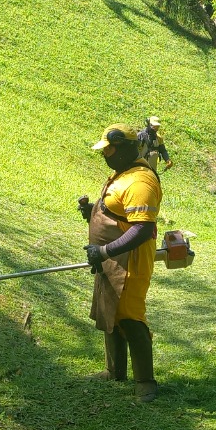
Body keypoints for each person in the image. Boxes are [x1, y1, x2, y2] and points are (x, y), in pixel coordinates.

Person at [78, 124, 163, 402]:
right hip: (110, 256)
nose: (106, 155)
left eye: (110, 149)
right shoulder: (123, 173)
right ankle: (114, 371)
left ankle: (145, 384)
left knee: (129, 315)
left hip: (131, 259)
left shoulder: (141, 182)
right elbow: (119, 212)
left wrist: (103, 251)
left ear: (126, 149)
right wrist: (93, 212)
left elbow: (140, 229)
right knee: (110, 308)